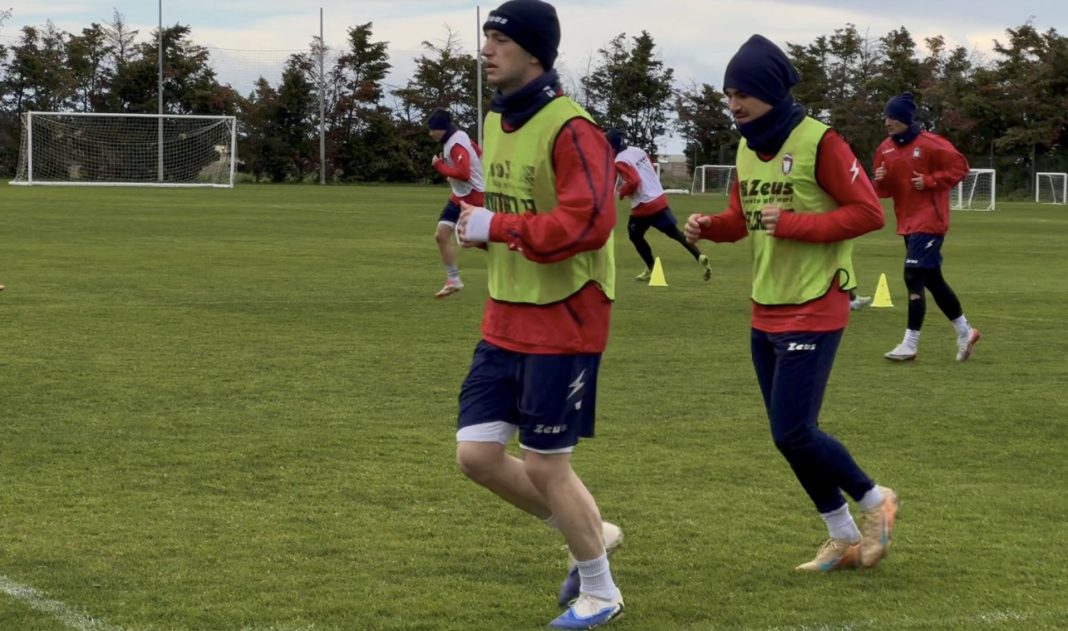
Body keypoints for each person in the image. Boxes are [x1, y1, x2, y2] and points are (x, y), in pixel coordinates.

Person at [684, 34, 899, 573]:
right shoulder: (745, 147)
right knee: (790, 437)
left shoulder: (820, 142)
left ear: (771, 92)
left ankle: (877, 501)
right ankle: (842, 536)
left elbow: (869, 213)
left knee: (793, 430)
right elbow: (743, 220)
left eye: (743, 94)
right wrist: (711, 226)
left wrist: (797, 224)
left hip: (817, 300)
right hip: (766, 303)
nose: (734, 104)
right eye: (728, 94)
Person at [453, 1, 623, 627]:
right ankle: (594, 532)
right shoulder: (495, 119)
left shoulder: (574, 129)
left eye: (500, 39)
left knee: (549, 464)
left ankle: (601, 592)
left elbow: (589, 223)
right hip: (506, 313)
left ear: (534, 52)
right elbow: (508, 207)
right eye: (486, 37)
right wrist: (479, 224)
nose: (487, 49)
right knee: (477, 456)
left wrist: (498, 227)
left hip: (565, 316)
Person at [873, 92, 981, 362]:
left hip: (931, 221)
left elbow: (961, 168)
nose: (887, 122)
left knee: (912, 276)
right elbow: (883, 191)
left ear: (906, 119)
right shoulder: (884, 148)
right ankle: (965, 331)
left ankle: (909, 344)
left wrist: (931, 180)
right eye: (886, 117)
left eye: (893, 117)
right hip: (907, 223)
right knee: (932, 279)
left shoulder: (932, 144)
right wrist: (880, 180)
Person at [606, 129, 713, 282]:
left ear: (612, 146)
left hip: (644, 204)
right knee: (675, 233)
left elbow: (634, 181)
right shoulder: (637, 151)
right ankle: (700, 256)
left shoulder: (620, 161)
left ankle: (651, 268)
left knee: (635, 235)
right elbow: (648, 168)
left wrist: (622, 192)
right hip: (659, 198)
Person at [428, 108, 485, 299]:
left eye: (432, 129)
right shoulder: (456, 137)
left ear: (442, 128)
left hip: (473, 196)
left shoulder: (455, 144)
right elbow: (478, 151)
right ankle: (453, 280)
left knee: (478, 240)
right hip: (459, 195)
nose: (430, 133)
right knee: (441, 235)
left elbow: (464, 173)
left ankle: (513, 255)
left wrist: (440, 166)